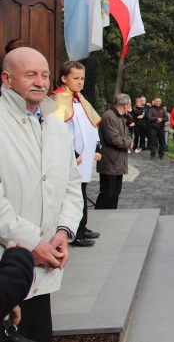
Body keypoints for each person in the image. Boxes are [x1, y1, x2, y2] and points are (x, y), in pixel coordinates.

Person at [0, 47, 84, 342]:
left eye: (45, 75)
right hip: (6, 270)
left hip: (45, 266)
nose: (40, 81)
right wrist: (33, 242)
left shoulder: (55, 124)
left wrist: (64, 230)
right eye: (31, 74)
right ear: (7, 79)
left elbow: (72, 184)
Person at [51, 61, 103, 247]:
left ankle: (83, 226)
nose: (80, 82)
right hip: (72, 158)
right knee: (74, 194)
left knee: (82, 191)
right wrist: (72, 154)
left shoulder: (78, 98)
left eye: (82, 78)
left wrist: (96, 147)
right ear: (64, 78)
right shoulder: (58, 99)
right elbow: (58, 131)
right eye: (76, 78)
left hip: (85, 158)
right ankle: (75, 232)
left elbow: (91, 124)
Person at [96, 94, 133, 210]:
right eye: (130, 104)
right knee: (107, 192)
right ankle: (100, 217)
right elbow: (113, 139)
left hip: (117, 161)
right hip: (110, 160)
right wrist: (128, 143)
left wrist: (129, 141)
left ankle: (111, 215)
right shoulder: (109, 116)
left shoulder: (121, 117)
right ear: (125, 105)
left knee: (115, 192)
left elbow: (127, 134)